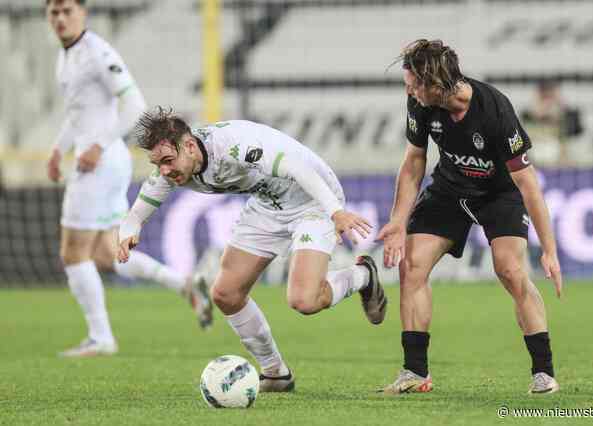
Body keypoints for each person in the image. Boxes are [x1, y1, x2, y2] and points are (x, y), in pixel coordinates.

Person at [117, 108, 388, 392]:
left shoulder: (236, 147)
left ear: (188, 146)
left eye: (168, 161)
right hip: (268, 203)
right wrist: (129, 229)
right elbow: (138, 212)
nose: (164, 171)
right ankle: (275, 373)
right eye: (157, 164)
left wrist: (336, 212)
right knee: (225, 294)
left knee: (305, 300)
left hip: (312, 199)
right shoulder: (172, 166)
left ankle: (363, 275)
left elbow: (298, 169)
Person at [377, 39, 562, 395]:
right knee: (411, 266)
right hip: (449, 190)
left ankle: (544, 372)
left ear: (435, 84)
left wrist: (549, 249)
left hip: (499, 195)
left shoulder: (495, 110)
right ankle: (415, 373)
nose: (409, 91)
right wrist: (399, 221)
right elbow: (414, 161)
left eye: (414, 85)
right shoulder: (420, 104)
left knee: (510, 271)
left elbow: (528, 186)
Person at [45, 0, 212, 358]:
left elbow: (136, 105)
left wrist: (99, 146)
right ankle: (184, 284)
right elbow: (78, 115)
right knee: (106, 253)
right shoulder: (66, 55)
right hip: (102, 163)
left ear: (83, 13)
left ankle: (100, 337)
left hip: (99, 165)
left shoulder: (97, 53)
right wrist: (58, 150)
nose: (60, 18)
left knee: (73, 253)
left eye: (67, 11)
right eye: (53, 12)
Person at [521, 80, 583, 166]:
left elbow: (576, 130)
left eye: (550, 95)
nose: (548, 101)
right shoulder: (527, 115)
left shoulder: (567, 115)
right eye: (544, 95)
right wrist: (539, 113)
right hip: (536, 157)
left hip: (558, 158)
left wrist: (560, 108)